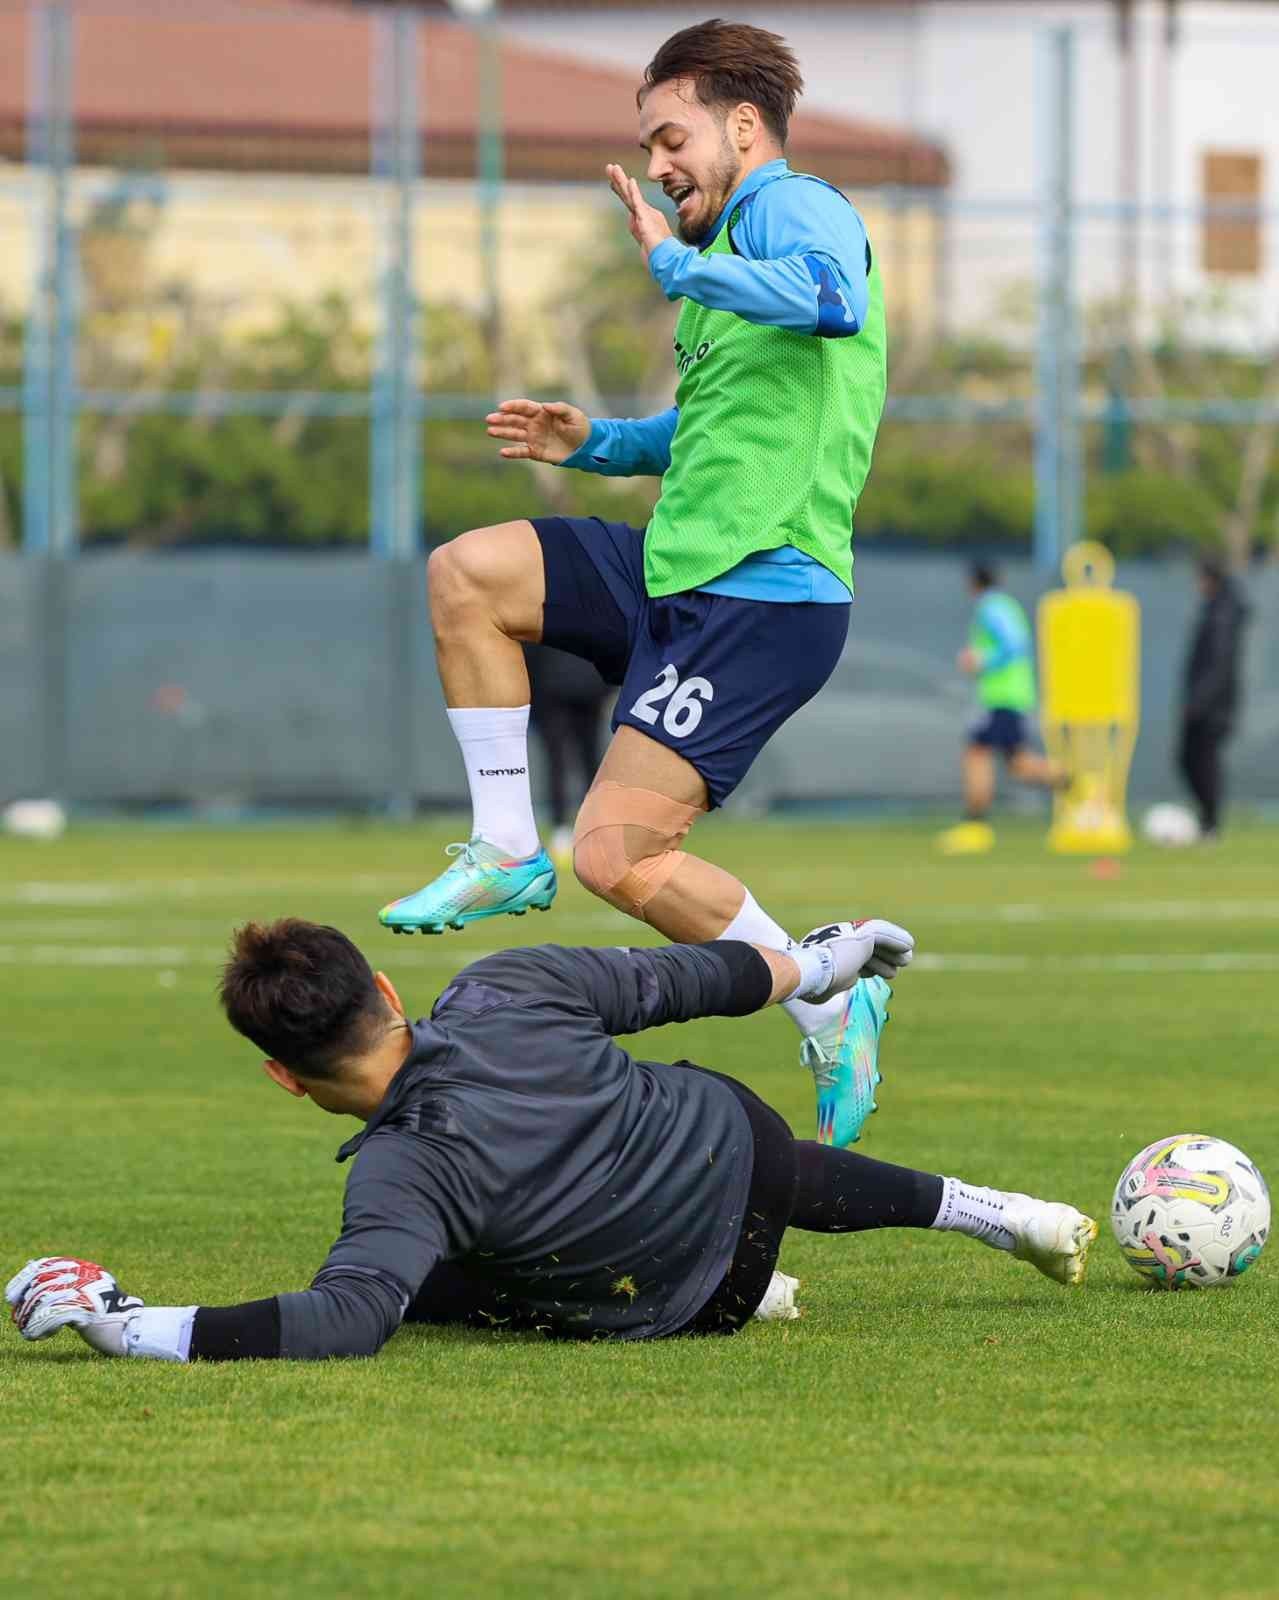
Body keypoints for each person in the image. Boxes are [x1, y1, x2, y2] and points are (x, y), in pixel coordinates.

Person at [377, 19, 889, 1148]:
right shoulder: (726, 268)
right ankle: (506, 845)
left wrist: (670, 260)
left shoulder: (793, 208)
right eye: (650, 145)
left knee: (616, 856)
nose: (659, 164)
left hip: (764, 595)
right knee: (468, 574)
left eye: (672, 137)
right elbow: (709, 430)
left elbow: (828, 299)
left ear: (742, 127)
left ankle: (827, 995)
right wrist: (597, 440)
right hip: (675, 565)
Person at [6, 917, 1096, 1365]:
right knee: (717, 1127)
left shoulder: (399, 1170)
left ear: (284, 1079)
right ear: (385, 989)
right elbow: (696, 978)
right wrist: (822, 963)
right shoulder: (506, 983)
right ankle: (1000, 1214)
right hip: (744, 1153)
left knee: (425, 1281)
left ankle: (762, 1279)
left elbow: (346, 1318)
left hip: (681, 1302)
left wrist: (127, 1323)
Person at [937, 563, 1065, 855]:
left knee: (976, 751)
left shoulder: (991, 607)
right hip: (1012, 696)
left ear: (973, 583)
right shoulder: (1004, 605)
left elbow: (1014, 643)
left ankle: (975, 827)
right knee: (1018, 764)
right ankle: (1072, 780)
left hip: (1002, 697)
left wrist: (982, 660)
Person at [1179, 557, 1248, 841]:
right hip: (1209, 701)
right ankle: (1207, 821)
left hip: (1212, 705)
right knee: (1192, 760)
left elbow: (1218, 665)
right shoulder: (1217, 610)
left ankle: (1210, 824)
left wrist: (1199, 700)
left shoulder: (1222, 615)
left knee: (1203, 761)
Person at [524, 643, 612, 865]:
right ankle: (562, 830)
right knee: (559, 762)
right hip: (554, 694)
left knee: (589, 764)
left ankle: (594, 829)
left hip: (586, 693)